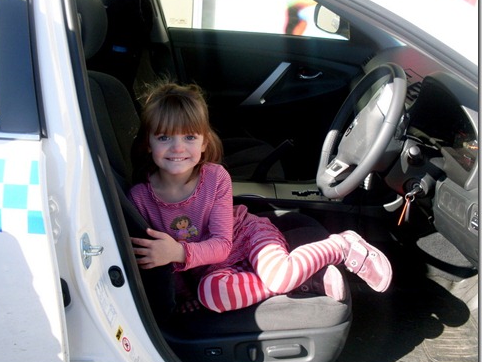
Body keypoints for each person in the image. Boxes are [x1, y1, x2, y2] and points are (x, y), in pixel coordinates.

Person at [129, 81, 392, 314]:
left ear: (204, 143)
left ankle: (342, 246)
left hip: (246, 237)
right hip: (209, 268)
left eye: (189, 137)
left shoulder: (215, 177)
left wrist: (177, 251)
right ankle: (302, 278)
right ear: (148, 143)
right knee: (211, 294)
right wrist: (184, 295)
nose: (177, 148)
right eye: (164, 137)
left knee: (279, 277)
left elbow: (221, 244)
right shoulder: (140, 198)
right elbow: (159, 257)